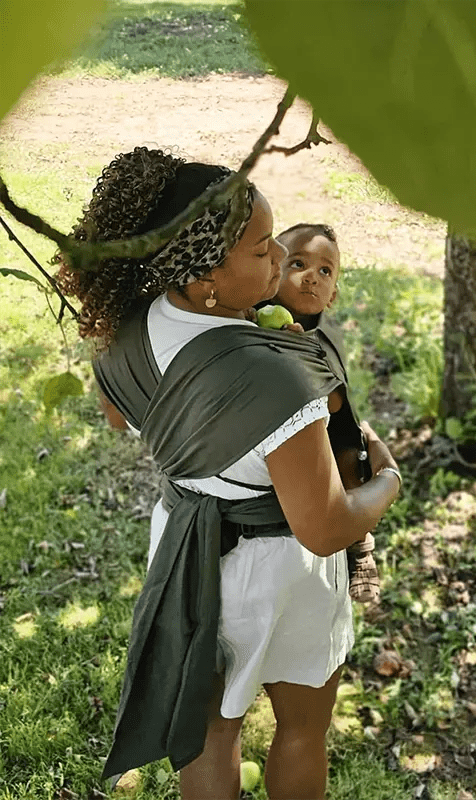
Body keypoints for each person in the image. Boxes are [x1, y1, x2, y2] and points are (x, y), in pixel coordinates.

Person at [54, 147, 402, 800]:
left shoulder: (129, 325)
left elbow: (120, 420)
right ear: (207, 271)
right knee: (302, 726)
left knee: (212, 730)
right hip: (277, 572)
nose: (280, 261)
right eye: (265, 248)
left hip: (185, 551)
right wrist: (387, 482)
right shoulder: (274, 378)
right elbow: (326, 526)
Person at [259, 222, 380, 604]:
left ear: (333, 296)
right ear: (274, 270)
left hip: (329, 428)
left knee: (349, 454)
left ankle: (360, 545)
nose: (312, 276)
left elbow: (334, 401)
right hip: (275, 433)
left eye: (325, 271)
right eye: (298, 264)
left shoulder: (326, 336)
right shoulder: (252, 316)